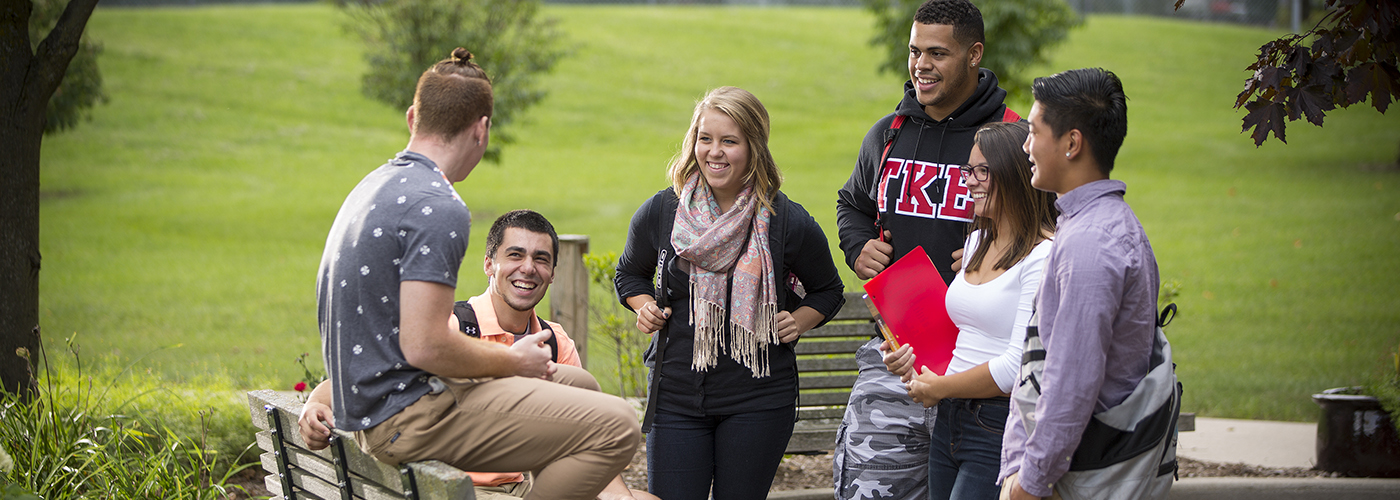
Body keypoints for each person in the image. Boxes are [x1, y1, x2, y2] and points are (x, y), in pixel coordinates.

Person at [301, 48, 640, 500]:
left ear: (412, 118)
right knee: (618, 425)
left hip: (378, 405)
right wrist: (514, 361)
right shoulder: (438, 206)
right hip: (408, 415)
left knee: (579, 383)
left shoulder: (372, 186)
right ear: (482, 129)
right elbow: (425, 344)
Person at [301, 209, 655, 500]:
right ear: (489, 264)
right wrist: (315, 403)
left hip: (529, 487)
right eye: (515, 255)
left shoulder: (555, 343)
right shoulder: (450, 327)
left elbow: (590, 435)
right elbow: (355, 380)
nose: (528, 268)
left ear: (551, 274)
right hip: (459, 490)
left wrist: (620, 496)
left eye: (540, 259)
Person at [614, 86, 846, 500]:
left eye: (729, 141)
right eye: (706, 139)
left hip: (757, 398)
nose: (714, 152)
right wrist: (643, 303)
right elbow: (629, 274)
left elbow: (828, 290)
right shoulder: (663, 212)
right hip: (676, 395)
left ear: (753, 148)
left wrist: (800, 319)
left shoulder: (786, 222)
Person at [832, 0, 1020, 496]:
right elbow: (851, 202)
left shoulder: (1009, 140)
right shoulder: (889, 133)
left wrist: (998, 253)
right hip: (898, 353)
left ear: (974, 53)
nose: (921, 64)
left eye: (938, 52)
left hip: (981, 369)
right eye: (915, 51)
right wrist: (858, 247)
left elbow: (1049, 232)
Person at [998, 68, 1166, 500]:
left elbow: (1072, 382)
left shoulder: (1091, 244)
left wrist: (1028, 484)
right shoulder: (1094, 226)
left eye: (1034, 132)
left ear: (1072, 143)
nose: (1026, 146)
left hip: (1071, 481)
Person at [881, 121, 1055, 500]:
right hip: (949, 420)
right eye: (968, 170)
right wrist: (909, 359)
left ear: (1015, 174)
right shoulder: (977, 240)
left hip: (1000, 421)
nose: (969, 181)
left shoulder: (1044, 256)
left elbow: (1016, 366)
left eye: (982, 171)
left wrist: (939, 387)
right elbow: (965, 337)